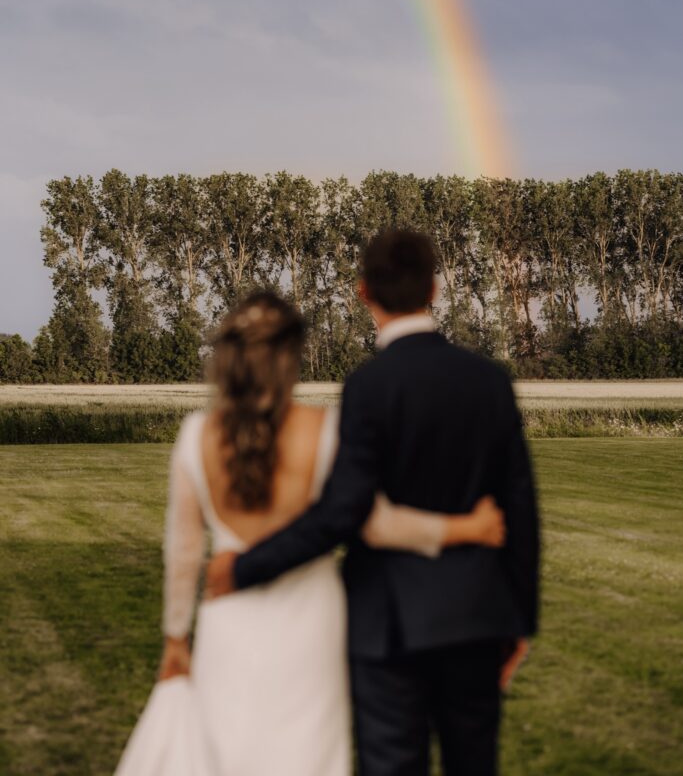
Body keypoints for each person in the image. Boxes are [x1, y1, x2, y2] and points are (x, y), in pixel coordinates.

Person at [114, 289, 508, 776]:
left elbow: (184, 550)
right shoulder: (326, 430)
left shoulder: (195, 436)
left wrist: (176, 636)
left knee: (228, 752)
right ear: (291, 358)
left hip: (226, 619)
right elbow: (377, 524)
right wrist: (465, 527)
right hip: (311, 627)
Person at [206, 231, 540, 776]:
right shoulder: (490, 382)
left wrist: (245, 567)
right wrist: (518, 618)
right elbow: (521, 510)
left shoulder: (368, 386)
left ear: (364, 292)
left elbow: (343, 512)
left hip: (387, 628)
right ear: (434, 288)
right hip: (478, 619)